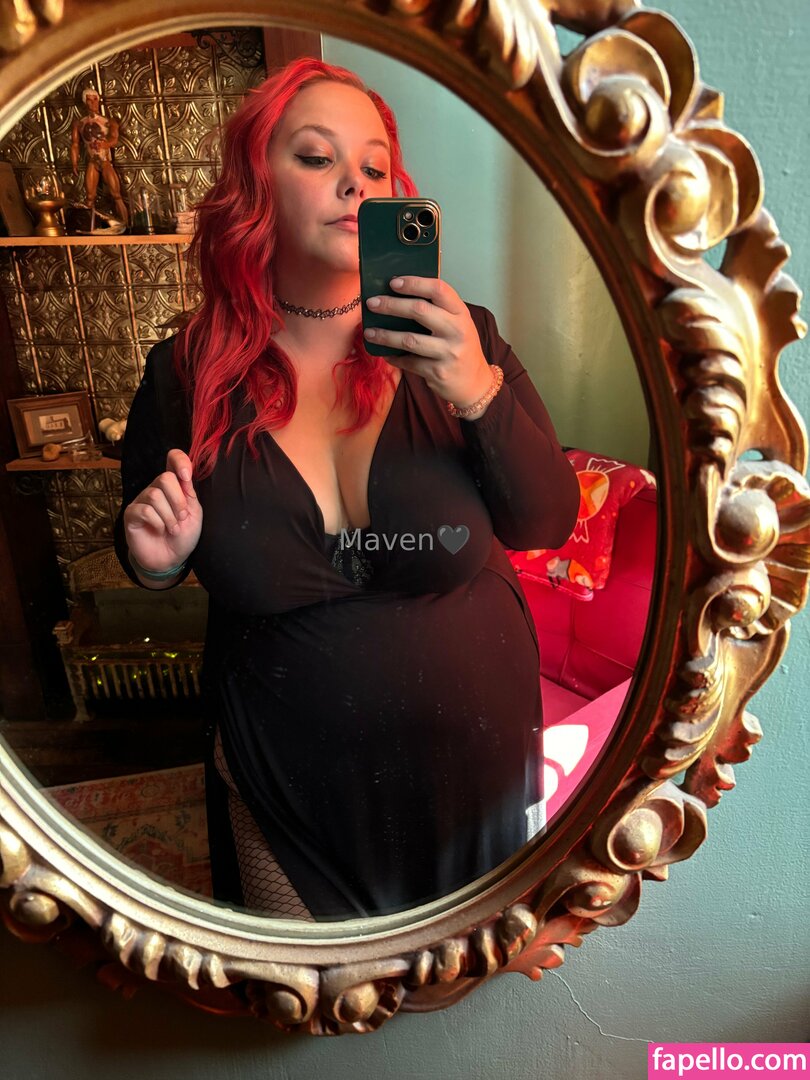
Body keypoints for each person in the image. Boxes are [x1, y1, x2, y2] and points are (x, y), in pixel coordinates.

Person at [113, 57, 580, 922]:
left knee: (471, 990)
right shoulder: (184, 373)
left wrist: (476, 390)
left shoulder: (464, 339)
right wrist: (156, 560)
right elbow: (142, 537)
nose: (354, 184)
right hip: (285, 789)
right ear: (256, 183)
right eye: (317, 157)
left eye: (374, 166)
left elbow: (546, 521)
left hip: (477, 784)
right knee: (304, 997)